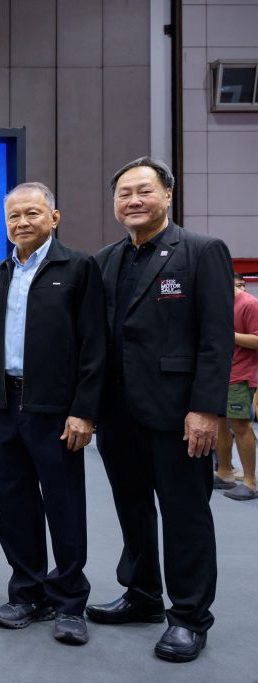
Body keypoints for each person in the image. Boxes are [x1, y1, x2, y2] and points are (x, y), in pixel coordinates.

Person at [88, 157, 234, 663]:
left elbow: (216, 339)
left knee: (184, 515)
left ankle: (190, 616)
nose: (133, 200)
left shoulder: (201, 251)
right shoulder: (105, 259)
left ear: (168, 195)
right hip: (118, 414)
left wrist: (205, 410)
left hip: (178, 416)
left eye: (144, 191)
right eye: (124, 193)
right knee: (132, 510)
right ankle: (143, 594)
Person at [0, 182, 106, 647]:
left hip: (55, 410)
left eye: (32, 213)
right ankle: (27, 592)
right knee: (13, 505)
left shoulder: (78, 268)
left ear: (54, 217)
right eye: (14, 215)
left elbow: (94, 345)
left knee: (64, 506)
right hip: (6, 406)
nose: (22, 222)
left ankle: (69, 601)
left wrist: (83, 411)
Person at [214, 272, 258, 501]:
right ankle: (224, 472)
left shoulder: (250, 304)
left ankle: (250, 482)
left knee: (240, 426)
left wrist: (228, 335)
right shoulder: (220, 303)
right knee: (220, 424)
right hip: (219, 374)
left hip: (240, 375)